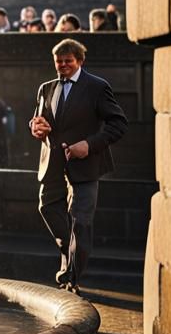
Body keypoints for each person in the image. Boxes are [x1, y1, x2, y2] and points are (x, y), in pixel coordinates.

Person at [28, 38, 127, 295]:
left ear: (80, 61)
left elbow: (119, 124)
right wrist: (36, 127)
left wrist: (89, 144)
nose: (62, 66)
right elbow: (39, 119)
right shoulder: (45, 88)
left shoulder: (97, 87)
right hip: (52, 164)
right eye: (58, 62)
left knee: (80, 223)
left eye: (68, 61)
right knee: (48, 208)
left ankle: (71, 278)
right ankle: (69, 256)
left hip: (87, 164)